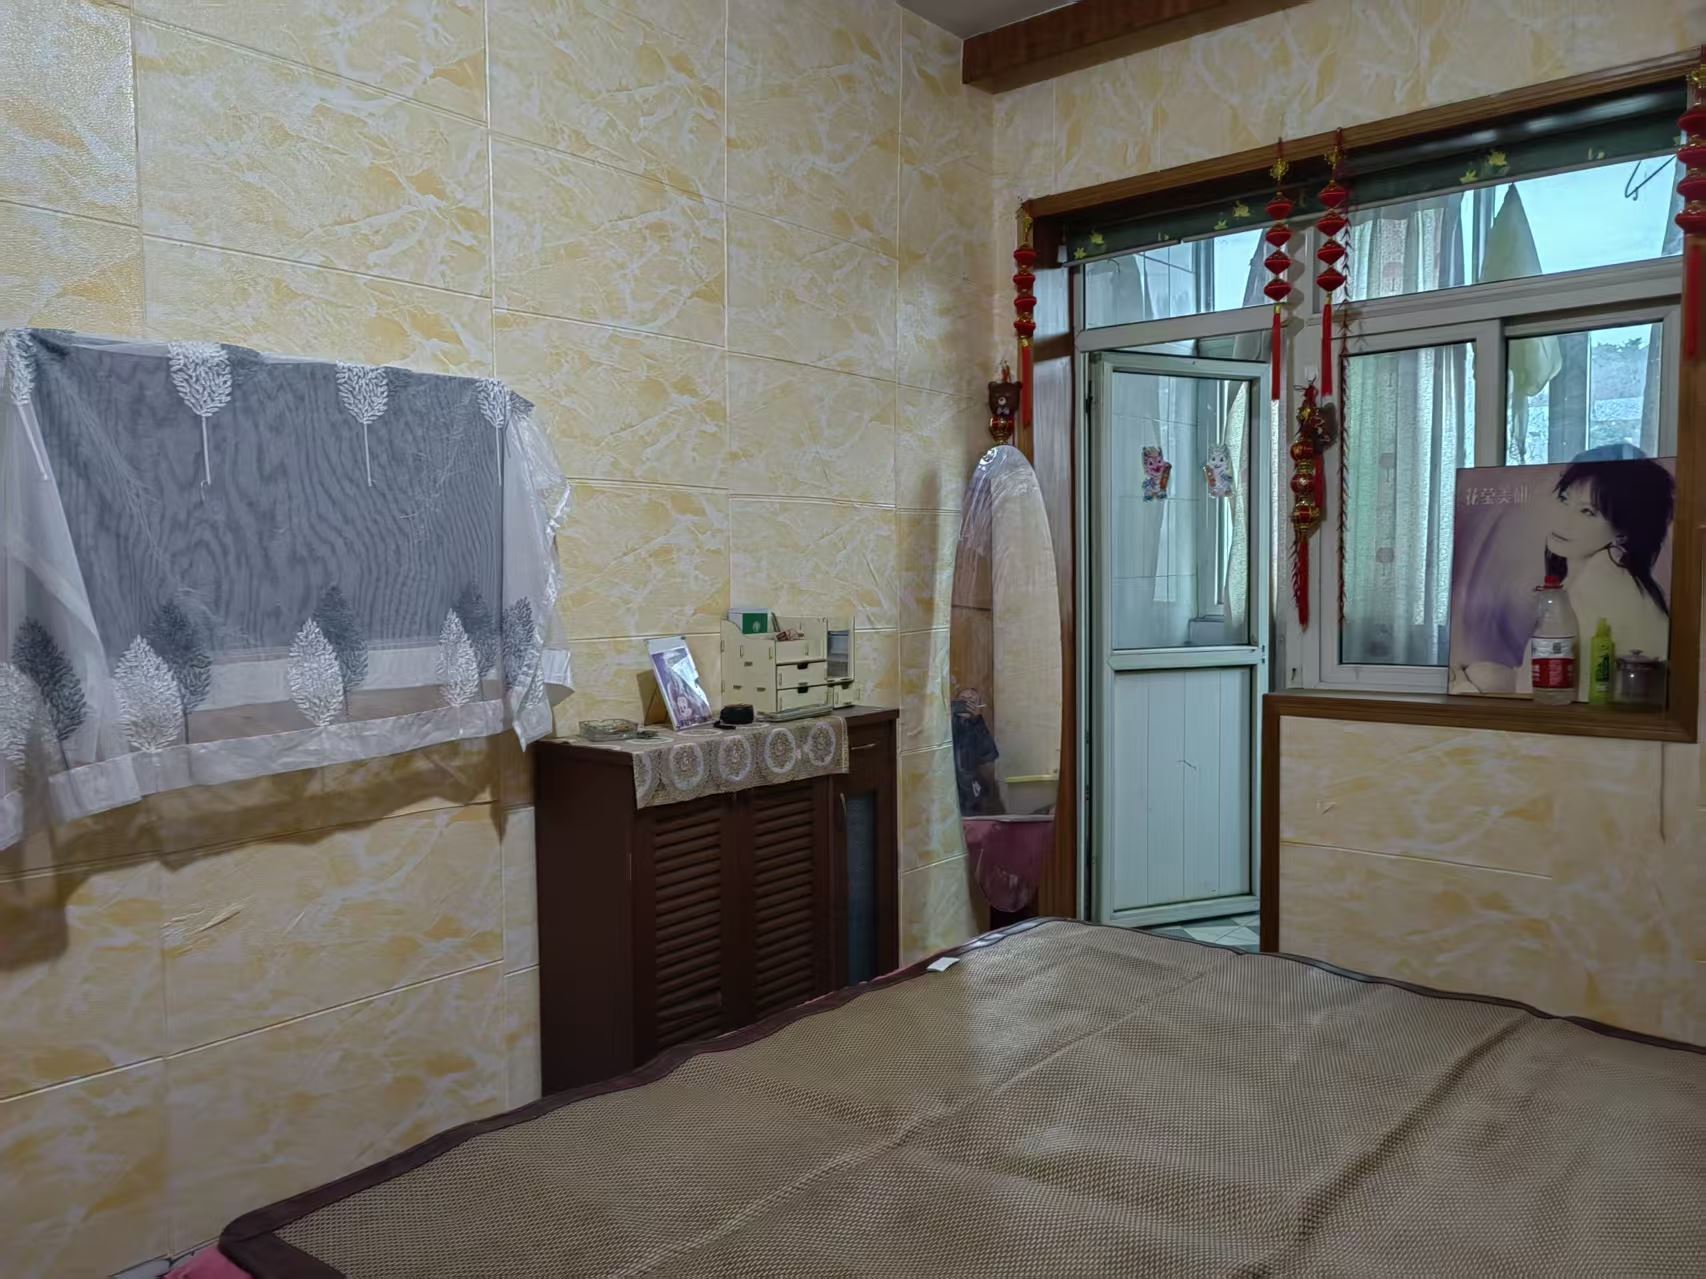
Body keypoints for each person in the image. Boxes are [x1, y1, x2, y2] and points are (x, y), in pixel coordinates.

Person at [1453, 456, 1673, 697]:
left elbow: (1554, 691)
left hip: (1579, 709)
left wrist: (1465, 686)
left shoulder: (1603, 582)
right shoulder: (1599, 573)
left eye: (1587, 512)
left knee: (1474, 679)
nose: (1563, 519)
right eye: (1564, 499)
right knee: (1482, 673)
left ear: (1623, 533)